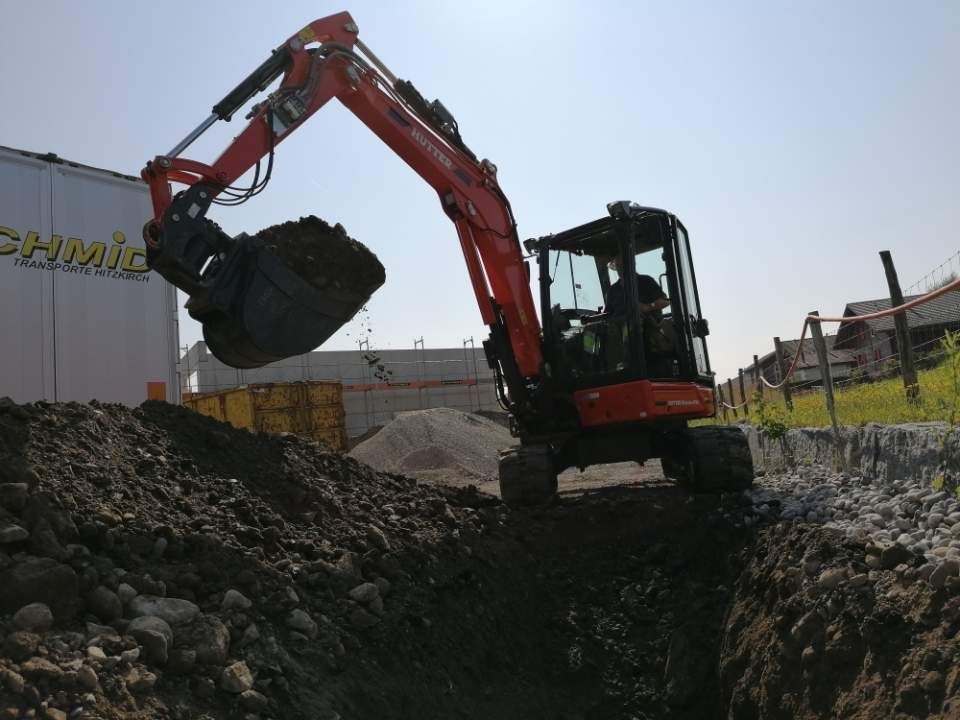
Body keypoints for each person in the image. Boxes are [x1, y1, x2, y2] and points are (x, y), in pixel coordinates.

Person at [603, 254, 671, 318]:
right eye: (618, 266)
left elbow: (665, 301)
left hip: (649, 327)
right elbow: (607, 315)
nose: (620, 269)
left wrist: (648, 307)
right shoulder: (612, 290)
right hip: (622, 328)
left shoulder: (646, 281)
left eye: (623, 265)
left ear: (632, 265)